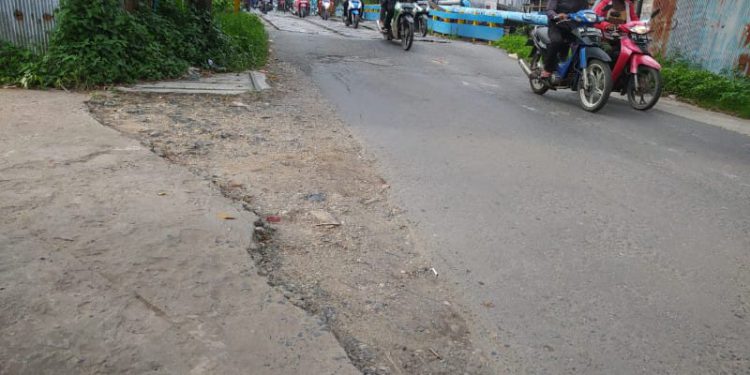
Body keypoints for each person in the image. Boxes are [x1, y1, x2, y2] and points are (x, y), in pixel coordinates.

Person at [541, 0, 590, 80]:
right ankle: (547, 69)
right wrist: (555, 15)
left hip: (573, 27)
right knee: (556, 41)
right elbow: (549, 10)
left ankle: (574, 70)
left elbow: (586, 12)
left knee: (582, 44)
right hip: (557, 25)